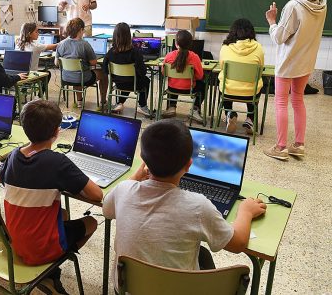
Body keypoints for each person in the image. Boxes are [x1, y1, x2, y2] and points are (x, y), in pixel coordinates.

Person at [103, 119, 267, 286]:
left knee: (202, 254)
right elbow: (238, 244)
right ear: (189, 165)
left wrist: (135, 178)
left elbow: (106, 209)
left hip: (128, 287)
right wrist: (246, 211)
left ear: (143, 160)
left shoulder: (123, 189)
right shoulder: (199, 207)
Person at [0, 99, 103, 294]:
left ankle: (49, 267)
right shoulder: (57, 162)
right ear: (57, 132)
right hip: (38, 249)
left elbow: (0, 178)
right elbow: (97, 195)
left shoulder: (14, 154)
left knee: (62, 212)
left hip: (13, 241)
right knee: (92, 222)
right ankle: (51, 268)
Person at [264, 0, 327, 160]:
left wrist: (272, 21)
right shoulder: (321, 2)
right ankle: (299, 144)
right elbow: (304, 2)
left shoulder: (293, 7)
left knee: (281, 102)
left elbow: (278, 37)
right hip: (306, 62)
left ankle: (280, 147)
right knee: (298, 100)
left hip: (288, 62)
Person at [219, 19, 264, 135]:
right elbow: (260, 69)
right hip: (250, 93)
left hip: (228, 90)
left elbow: (222, 66)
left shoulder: (225, 47)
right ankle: (250, 118)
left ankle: (230, 113)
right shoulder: (258, 48)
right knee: (254, 84)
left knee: (222, 85)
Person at [55, 18, 108, 109]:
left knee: (76, 73)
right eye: (83, 29)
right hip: (83, 78)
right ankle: (103, 101)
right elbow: (93, 62)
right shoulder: (85, 44)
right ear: (80, 30)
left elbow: (56, 63)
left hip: (66, 78)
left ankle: (79, 102)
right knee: (103, 74)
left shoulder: (61, 44)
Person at [102, 22, 151, 117]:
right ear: (129, 36)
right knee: (145, 80)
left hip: (118, 83)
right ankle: (142, 105)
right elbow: (143, 72)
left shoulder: (110, 53)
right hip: (134, 83)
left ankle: (119, 103)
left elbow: (105, 70)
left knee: (126, 81)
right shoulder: (136, 52)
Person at [162, 30, 205, 123]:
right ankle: (195, 109)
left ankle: (171, 106)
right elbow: (200, 76)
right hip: (190, 88)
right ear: (190, 44)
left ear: (176, 43)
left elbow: (163, 73)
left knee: (173, 81)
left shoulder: (169, 56)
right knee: (203, 85)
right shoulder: (194, 57)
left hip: (172, 88)